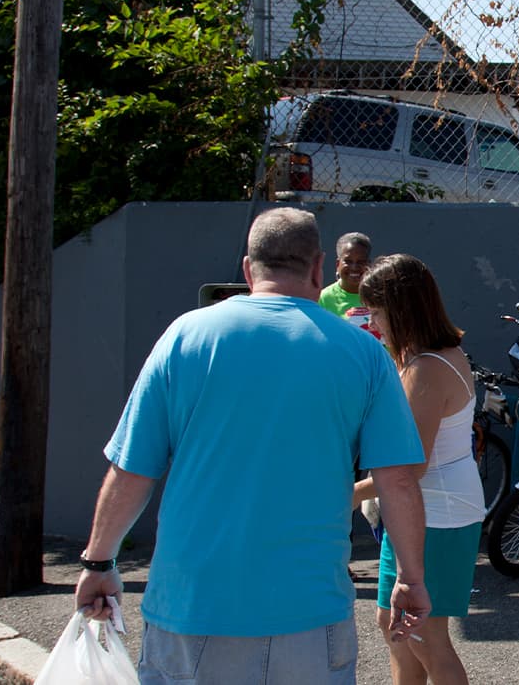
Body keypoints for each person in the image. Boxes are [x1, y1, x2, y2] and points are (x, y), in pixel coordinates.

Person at [74, 208, 430, 684]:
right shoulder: (364, 353)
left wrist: (100, 562)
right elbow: (398, 480)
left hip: (191, 608)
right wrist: (410, 578)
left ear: (247, 268)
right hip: (308, 611)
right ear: (318, 267)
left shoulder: (184, 337)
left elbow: (132, 470)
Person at [351, 254, 483, 685]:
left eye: (376, 309)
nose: (373, 318)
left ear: (400, 308)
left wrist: (350, 494)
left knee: (424, 635)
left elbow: (411, 468)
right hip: (420, 511)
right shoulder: (427, 356)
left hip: (437, 513)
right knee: (395, 628)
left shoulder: (427, 368)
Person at [320, 232, 373, 333]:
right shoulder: (323, 299)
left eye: (361, 262)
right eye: (348, 261)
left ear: (369, 264)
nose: (354, 267)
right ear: (338, 264)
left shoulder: (382, 296)